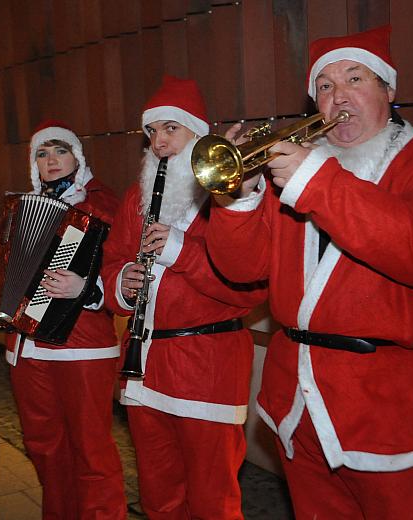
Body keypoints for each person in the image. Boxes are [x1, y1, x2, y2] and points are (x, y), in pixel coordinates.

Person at [206, 26, 413, 519]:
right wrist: (240, 197)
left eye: (355, 79)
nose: (339, 98)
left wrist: (317, 181)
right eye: (326, 87)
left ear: (388, 91)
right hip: (298, 409)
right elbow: (239, 270)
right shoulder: (296, 172)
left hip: (392, 413)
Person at [101, 75, 266, 518]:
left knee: (212, 499)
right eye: (152, 132)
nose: (159, 142)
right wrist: (122, 281)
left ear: (198, 134)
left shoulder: (229, 197)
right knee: (159, 495)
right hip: (145, 367)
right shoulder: (137, 196)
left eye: (171, 129)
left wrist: (178, 251)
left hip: (206, 369)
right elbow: (112, 258)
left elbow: (248, 289)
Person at [0, 120, 127, 519]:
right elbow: (16, 274)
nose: (51, 160)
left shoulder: (103, 205)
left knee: (91, 451)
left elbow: (126, 275)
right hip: (28, 348)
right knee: (43, 446)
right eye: (42, 153)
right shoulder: (24, 207)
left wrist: (86, 289)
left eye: (59, 151)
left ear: (78, 157)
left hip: (83, 349)